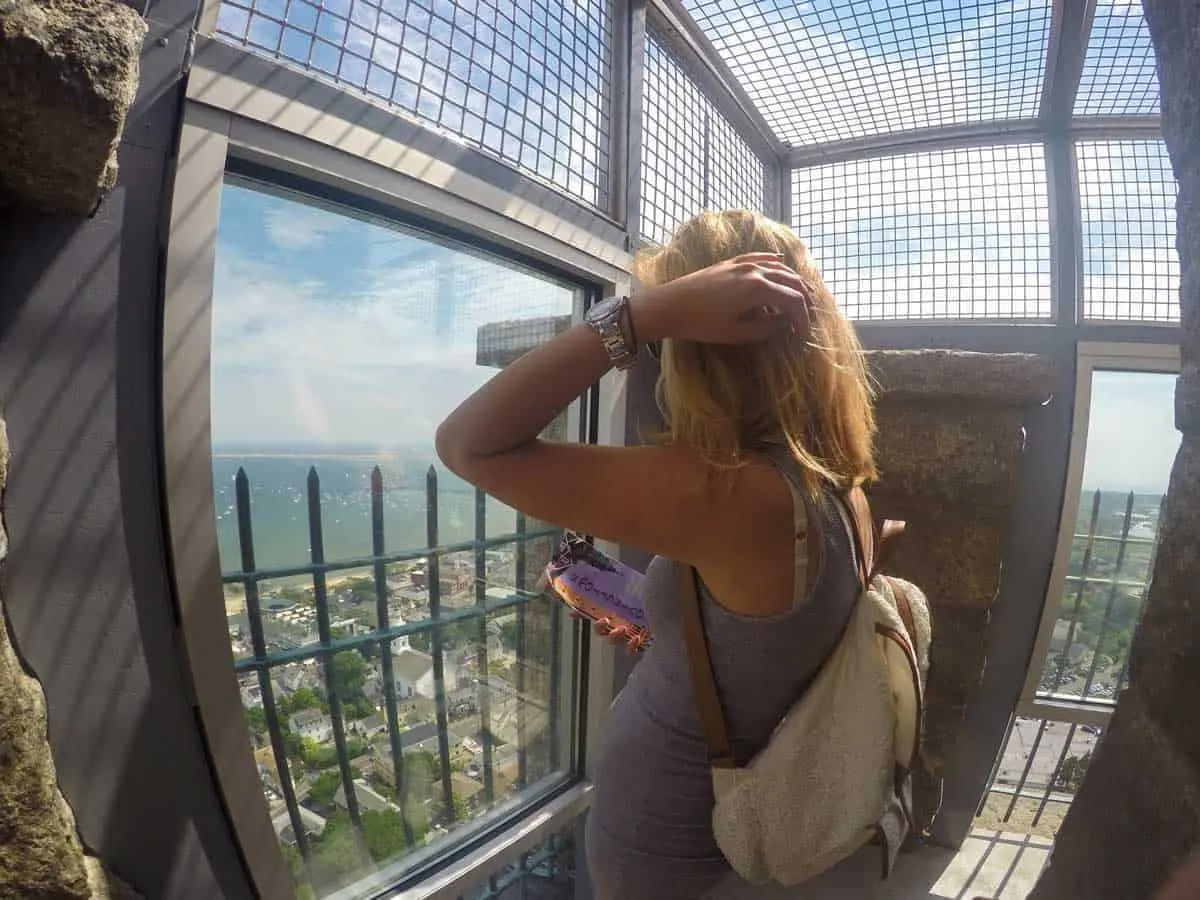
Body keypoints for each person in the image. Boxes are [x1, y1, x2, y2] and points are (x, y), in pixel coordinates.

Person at [436, 210, 877, 899]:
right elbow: (764, 637)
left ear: (703, 348)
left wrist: (640, 315)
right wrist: (669, 626)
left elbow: (468, 443)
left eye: (673, 338)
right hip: (709, 822)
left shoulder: (740, 495)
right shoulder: (834, 484)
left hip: (664, 839)